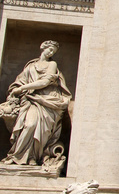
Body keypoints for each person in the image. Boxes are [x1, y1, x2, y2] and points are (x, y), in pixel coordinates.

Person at [0, 40, 71, 170]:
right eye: (50, 49)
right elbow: (19, 82)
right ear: (42, 48)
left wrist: (22, 88)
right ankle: (17, 156)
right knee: (29, 125)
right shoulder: (30, 66)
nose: (51, 53)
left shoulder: (52, 64)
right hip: (29, 101)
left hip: (47, 101)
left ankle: (33, 157)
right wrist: (16, 90)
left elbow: (44, 82)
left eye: (53, 52)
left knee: (41, 129)